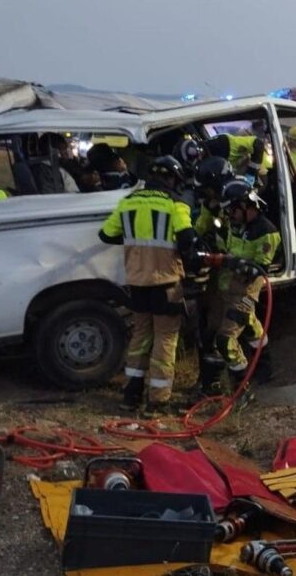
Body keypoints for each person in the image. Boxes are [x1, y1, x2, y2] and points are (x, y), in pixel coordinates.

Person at [98, 155, 199, 416]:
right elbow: (188, 240)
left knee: (141, 337)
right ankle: (158, 401)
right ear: (171, 178)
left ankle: (131, 396)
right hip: (166, 284)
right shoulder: (176, 204)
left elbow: (106, 234)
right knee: (165, 339)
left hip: (137, 284)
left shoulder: (128, 202)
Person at [204, 178, 281, 395]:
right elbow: (225, 244)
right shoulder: (235, 224)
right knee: (251, 326)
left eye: (233, 211)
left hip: (246, 292)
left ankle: (242, 387)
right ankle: (264, 369)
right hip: (227, 288)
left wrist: (226, 261)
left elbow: (259, 269)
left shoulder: (266, 231)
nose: (229, 216)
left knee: (225, 339)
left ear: (246, 206)